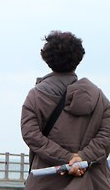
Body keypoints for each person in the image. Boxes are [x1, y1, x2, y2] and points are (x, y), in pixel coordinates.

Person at [21, 31, 110, 189]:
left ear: (47, 58)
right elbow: (106, 136)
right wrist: (82, 158)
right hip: (92, 182)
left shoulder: (35, 96)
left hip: (47, 179)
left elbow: (31, 135)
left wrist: (66, 158)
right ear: (78, 58)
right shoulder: (99, 98)